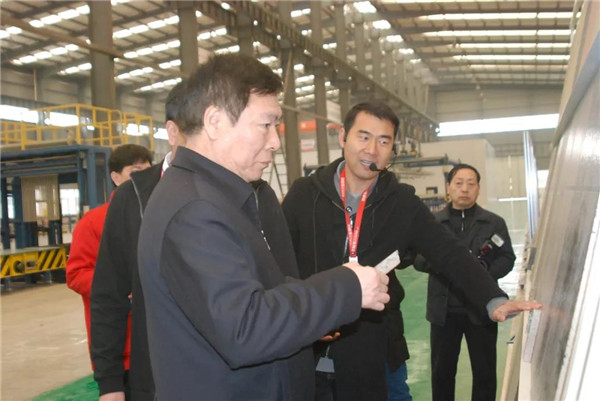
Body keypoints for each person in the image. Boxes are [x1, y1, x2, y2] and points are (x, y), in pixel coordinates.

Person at [137, 53, 391, 401]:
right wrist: (346, 289)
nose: (275, 141)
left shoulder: (217, 196)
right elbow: (244, 328)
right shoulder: (195, 210)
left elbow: (259, 289)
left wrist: (320, 309)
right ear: (215, 121)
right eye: (265, 125)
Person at [281, 102, 541, 401]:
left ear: (392, 149)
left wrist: (491, 298)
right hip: (306, 341)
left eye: (383, 141)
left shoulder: (401, 204)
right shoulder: (305, 195)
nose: (372, 150)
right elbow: (277, 260)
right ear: (343, 137)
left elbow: (448, 251)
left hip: (368, 345)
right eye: (363, 137)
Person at [90, 81, 187, 401]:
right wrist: (110, 383)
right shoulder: (132, 198)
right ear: (173, 132)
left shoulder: (248, 193)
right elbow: (107, 295)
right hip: (154, 377)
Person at [413, 164, 515, 401]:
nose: (465, 189)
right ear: (448, 187)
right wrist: (448, 267)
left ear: (478, 188)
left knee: (485, 372)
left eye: (471, 183)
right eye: (458, 183)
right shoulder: (432, 223)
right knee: (442, 372)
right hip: (444, 311)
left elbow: (507, 258)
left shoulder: (493, 223)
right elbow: (417, 258)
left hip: (482, 310)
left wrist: (483, 273)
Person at [65, 144, 153, 372]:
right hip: (121, 344)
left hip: (160, 340)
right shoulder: (93, 223)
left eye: (148, 172)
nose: (144, 179)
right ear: (115, 177)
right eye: (135, 172)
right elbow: (76, 274)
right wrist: (120, 286)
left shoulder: (158, 214)